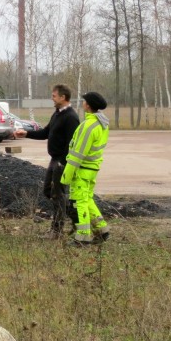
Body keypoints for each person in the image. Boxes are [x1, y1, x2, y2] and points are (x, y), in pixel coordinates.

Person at [14, 84, 80, 238]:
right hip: (54, 159)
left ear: (63, 97)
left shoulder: (71, 117)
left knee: (58, 194)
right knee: (49, 191)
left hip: (61, 162)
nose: (52, 99)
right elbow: (45, 133)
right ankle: (75, 220)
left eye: (54, 96)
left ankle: (57, 230)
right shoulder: (57, 114)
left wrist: (63, 162)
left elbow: (72, 143)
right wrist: (26, 134)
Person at [61, 91, 111, 246]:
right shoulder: (101, 124)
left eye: (84, 101)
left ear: (88, 105)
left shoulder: (88, 126)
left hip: (82, 170)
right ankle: (102, 230)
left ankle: (82, 237)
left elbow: (77, 154)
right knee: (87, 199)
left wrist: (66, 176)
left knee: (80, 202)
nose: (82, 103)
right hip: (92, 169)